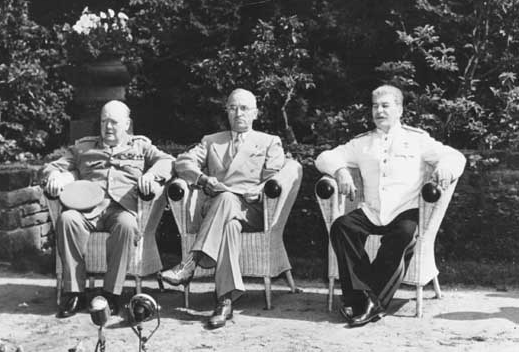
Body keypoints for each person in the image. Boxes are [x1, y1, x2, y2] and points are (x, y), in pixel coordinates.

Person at [315, 85, 466, 327]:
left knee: (405, 234)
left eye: (385, 105)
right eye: (375, 106)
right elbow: (323, 157)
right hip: (372, 212)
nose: (379, 110)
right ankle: (364, 297)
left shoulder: (416, 139)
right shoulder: (361, 143)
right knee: (342, 227)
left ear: (399, 109)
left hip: (404, 210)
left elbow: (455, 156)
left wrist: (443, 169)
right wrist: (340, 171)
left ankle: (370, 302)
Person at [160, 88, 285, 329]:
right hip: (218, 207)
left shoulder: (269, 142)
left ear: (256, 113)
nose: (238, 113)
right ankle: (225, 301)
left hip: (252, 210)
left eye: (244, 108)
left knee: (229, 202)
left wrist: (260, 189)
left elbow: (277, 176)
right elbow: (182, 162)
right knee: (229, 219)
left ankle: (189, 265)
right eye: (233, 107)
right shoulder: (211, 141)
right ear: (226, 111)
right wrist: (204, 180)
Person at [43, 100, 174, 318]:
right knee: (67, 219)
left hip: (122, 209)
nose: (108, 127)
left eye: (113, 122)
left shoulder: (140, 146)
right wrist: (55, 176)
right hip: (87, 209)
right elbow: (54, 166)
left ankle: (111, 294)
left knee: (127, 225)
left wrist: (151, 175)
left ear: (127, 124)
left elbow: (168, 161)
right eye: (104, 121)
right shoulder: (84, 147)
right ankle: (75, 292)